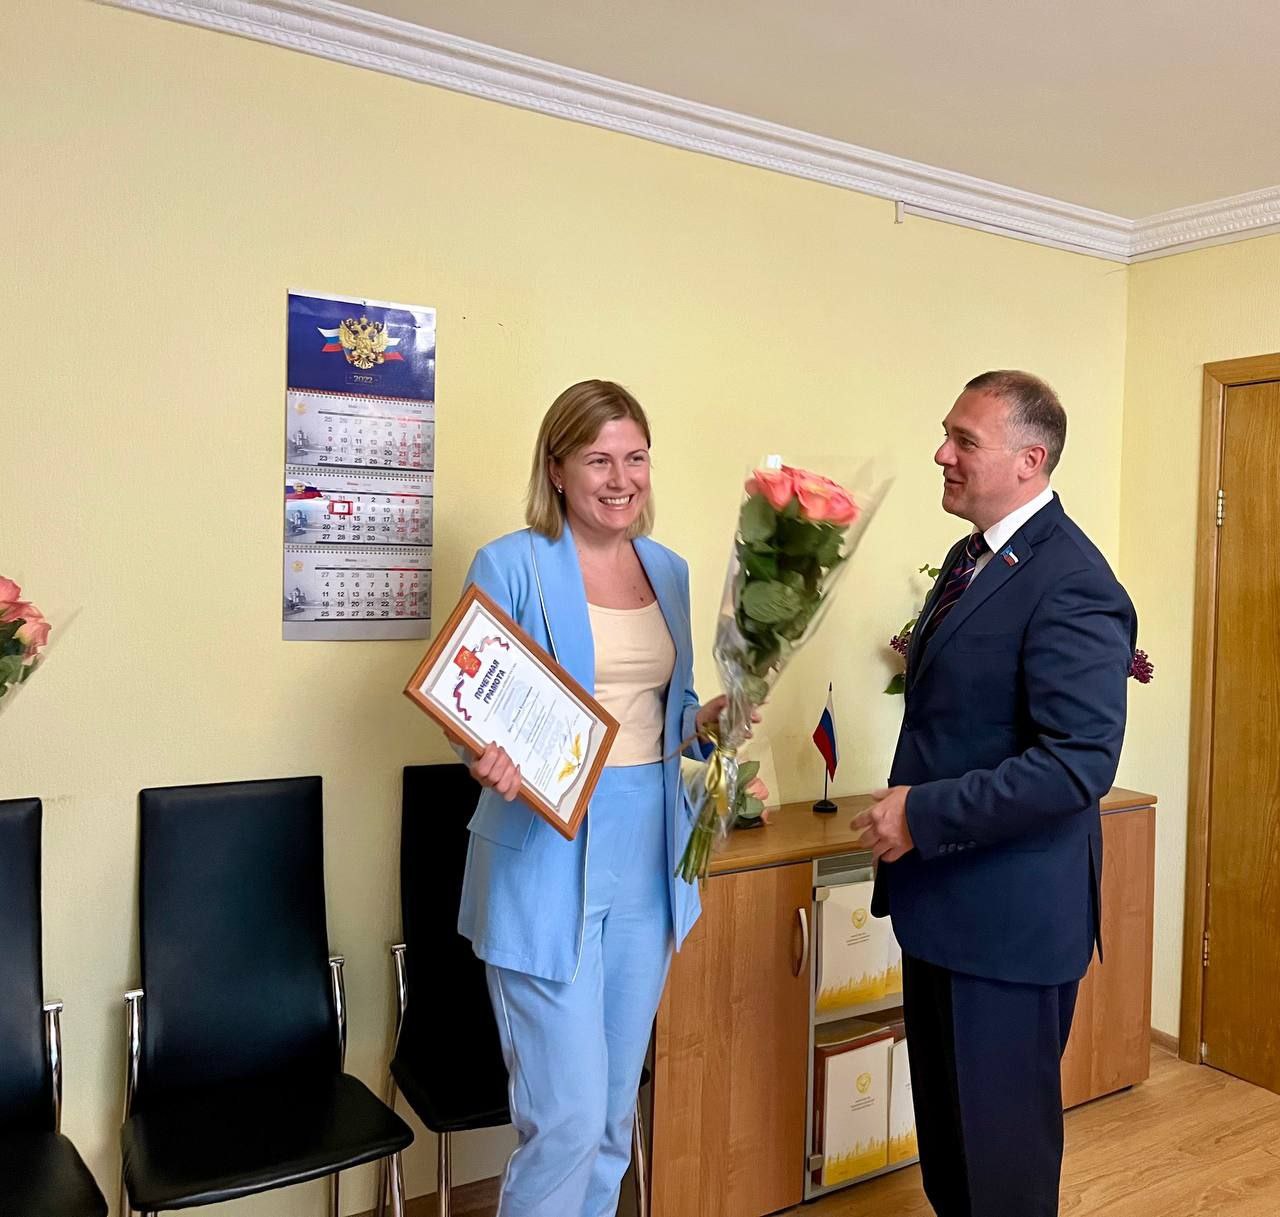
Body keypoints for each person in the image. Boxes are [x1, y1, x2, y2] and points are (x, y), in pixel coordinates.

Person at [855, 370, 1136, 1217]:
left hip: (1009, 929)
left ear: (1029, 459)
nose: (941, 453)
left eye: (963, 440)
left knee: (1002, 1176)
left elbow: (1077, 762)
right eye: (947, 433)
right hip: (944, 906)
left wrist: (921, 812)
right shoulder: (970, 557)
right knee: (951, 1162)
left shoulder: (1075, 579)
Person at [447, 379, 726, 1217]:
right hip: (543, 852)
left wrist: (712, 719)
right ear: (557, 468)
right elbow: (469, 698)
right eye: (599, 459)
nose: (620, 478)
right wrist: (482, 756)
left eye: (635, 457)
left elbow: (669, 711)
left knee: (608, 1117)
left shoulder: (669, 570)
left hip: (651, 856)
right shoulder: (511, 562)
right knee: (564, 1121)